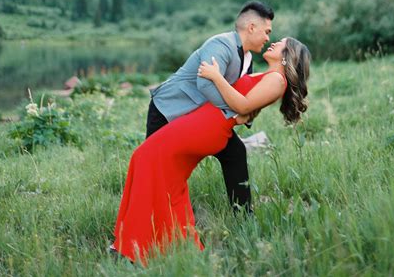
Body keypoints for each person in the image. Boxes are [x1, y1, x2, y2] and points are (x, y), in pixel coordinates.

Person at [110, 36, 310, 265]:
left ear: (287, 56)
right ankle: (173, 246)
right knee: (168, 178)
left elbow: (243, 106)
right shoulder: (267, 75)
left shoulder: (277, 79)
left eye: (281, 43)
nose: (273, 42)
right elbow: (244, 109)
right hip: (205, 121)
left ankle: (137, 245)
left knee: (145, 157)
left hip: (208, 127)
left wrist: (215, 77)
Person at [146, 0, 274, 212]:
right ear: (252, 27)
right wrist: (237, 112)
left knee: (235, 153)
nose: (268, 38)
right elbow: (205, 84)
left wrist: (248, 114)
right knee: (153, 169)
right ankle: (137, 230)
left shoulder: (248, 59)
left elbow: (241, 96)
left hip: (200, 120)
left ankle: (243, 217)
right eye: (267, 31)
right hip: (168, 110)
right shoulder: (221, 45)